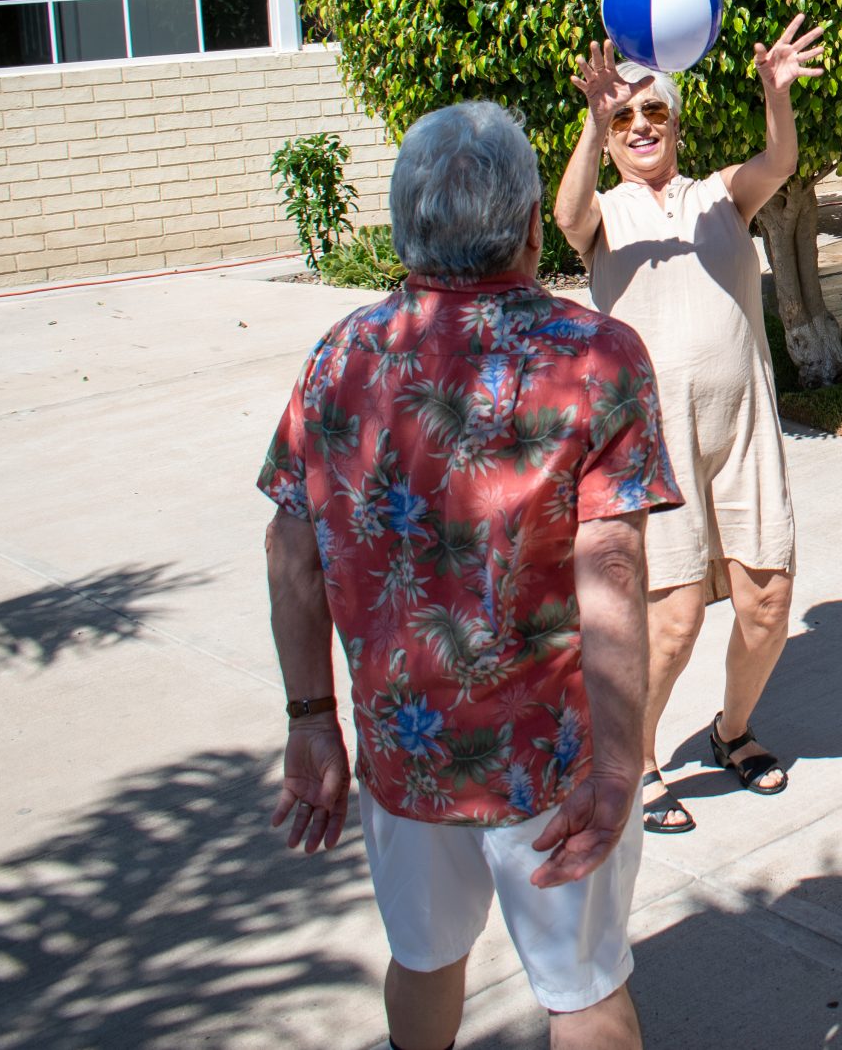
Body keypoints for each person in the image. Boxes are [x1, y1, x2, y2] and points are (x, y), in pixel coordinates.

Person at [257, 100, 680, 1050]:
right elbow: (610, 561)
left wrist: (310, 721)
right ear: (533, 225)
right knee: (581, 991)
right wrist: (619, 762)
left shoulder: (341, 357)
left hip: (404, 758)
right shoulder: (593, 356)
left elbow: (290, 548)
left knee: (422, 958)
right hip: (551, 764)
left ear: (405, 223)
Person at [554, 15, 828, 836]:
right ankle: (633, 761)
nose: (642, 126)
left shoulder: (718, 196)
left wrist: (776, 96)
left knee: (769, 603)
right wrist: (589, 119)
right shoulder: (605, 215)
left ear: (675, 124)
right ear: (611, 136)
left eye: (655, 114)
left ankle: (730, 730)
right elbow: (566, 215)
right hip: (658, 445)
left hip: (743, 430)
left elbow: (779, 162)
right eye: (626, 119)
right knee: (671, 623)